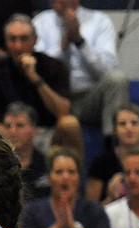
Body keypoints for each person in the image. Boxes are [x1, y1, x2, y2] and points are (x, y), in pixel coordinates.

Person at [0, 13, 83, 157]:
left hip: (47, 134)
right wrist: (18, 132)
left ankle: (74, 177)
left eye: (24, 39)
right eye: (12, 39)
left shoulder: (55, 66)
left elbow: (63, 111)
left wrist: (35, 77)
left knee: (69, 124)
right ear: (5, 42)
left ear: (35, 40)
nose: (18, 46)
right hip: (11, 134)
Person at [32, 0, 130, 142]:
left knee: (117, 79)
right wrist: (63, 47)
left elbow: (108, 70)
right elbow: (39, 70)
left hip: (89, 98)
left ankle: (113, 147)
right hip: (53, 98)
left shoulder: (99, 21)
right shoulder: (40, 22)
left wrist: (80, 42)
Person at [86, 103, 139, 204]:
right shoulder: (100, 162)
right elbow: (90, 213)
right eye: (122, 124)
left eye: (134, 123)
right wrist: (111, 197)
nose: (129, 128)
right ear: (114, 130)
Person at [2, 102, 49, 201]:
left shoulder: (47, 165)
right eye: (8, 126)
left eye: (20, 125)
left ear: (35, 131)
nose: (12, 131)